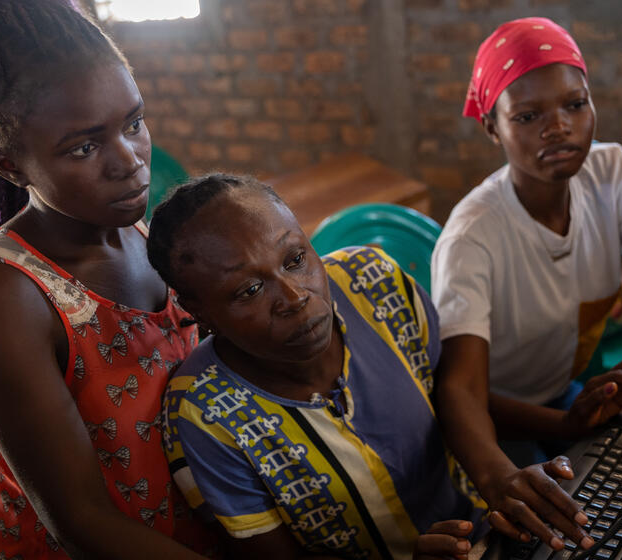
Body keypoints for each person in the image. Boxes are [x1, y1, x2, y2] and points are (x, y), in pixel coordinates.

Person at [430, 17, 622, 550]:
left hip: (563, 399)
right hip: (491, 428)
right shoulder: (474, 236)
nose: (559, 127)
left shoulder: (610, 174)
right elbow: (461, 393)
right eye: (528, 115)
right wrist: (560, 427)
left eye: (575, 104)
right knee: (549, 533)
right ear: (493, 128)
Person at [0, 0, 220, 557]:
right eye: (84, 147)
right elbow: (81, 521)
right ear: (10, 165)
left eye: (134, 124)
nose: (130, 161)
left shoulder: (141, 236)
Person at [145, 174, 488, 559]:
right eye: (250, 290)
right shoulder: (205, 411)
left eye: (295, 260)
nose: (294, 297)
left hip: (488, 526)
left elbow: (454, 392)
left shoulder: (372, 282)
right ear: (200, 312)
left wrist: (505, 480)